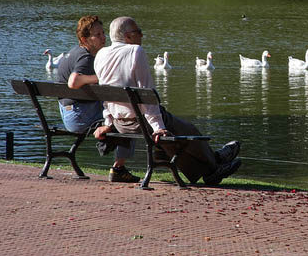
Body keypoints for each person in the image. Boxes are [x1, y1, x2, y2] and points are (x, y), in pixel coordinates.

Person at [93, 16, 241, 185]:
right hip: (141, 122)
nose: (142, 35)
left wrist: (108, 121)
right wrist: (158, 127)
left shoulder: (101, 54)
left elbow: (105, 95)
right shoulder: (135, 51)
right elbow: (147, 94)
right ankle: (215, 164)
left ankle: (212, 167)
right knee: (188, 132)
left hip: (120, 123)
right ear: (127, 36)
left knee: (175, 139)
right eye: (138, 32)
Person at [56, 15, 140, 183]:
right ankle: (118, 168)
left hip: (71, 112)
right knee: (128, 119)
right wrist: (101, 77)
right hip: (79, 116)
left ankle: (118, 164)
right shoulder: (85, 57)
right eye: (97, 35)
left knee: (122, 113)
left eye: (103, 33)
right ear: (84, 39)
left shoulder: (76, 52)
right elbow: (74, 81)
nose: (103, 37)